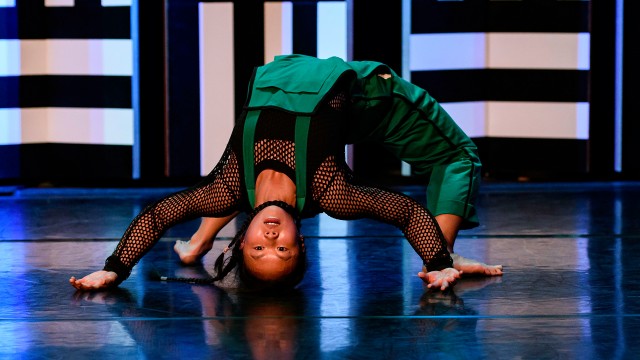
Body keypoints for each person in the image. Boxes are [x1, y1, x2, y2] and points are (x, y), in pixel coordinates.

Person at [70, 54, 501, 292]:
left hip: (291, 78)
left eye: (258, 251)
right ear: (300, 242)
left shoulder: (228, 189)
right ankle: (446, 256)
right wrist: (437, 260)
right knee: (460, 156)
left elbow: (157, 215)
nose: (271, 241)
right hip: (364, 97)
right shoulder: (332, 194)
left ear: (241, 241)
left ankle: (198, 242)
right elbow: (407, 212)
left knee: (228, 191)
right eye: (284, 252)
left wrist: (114, 268)